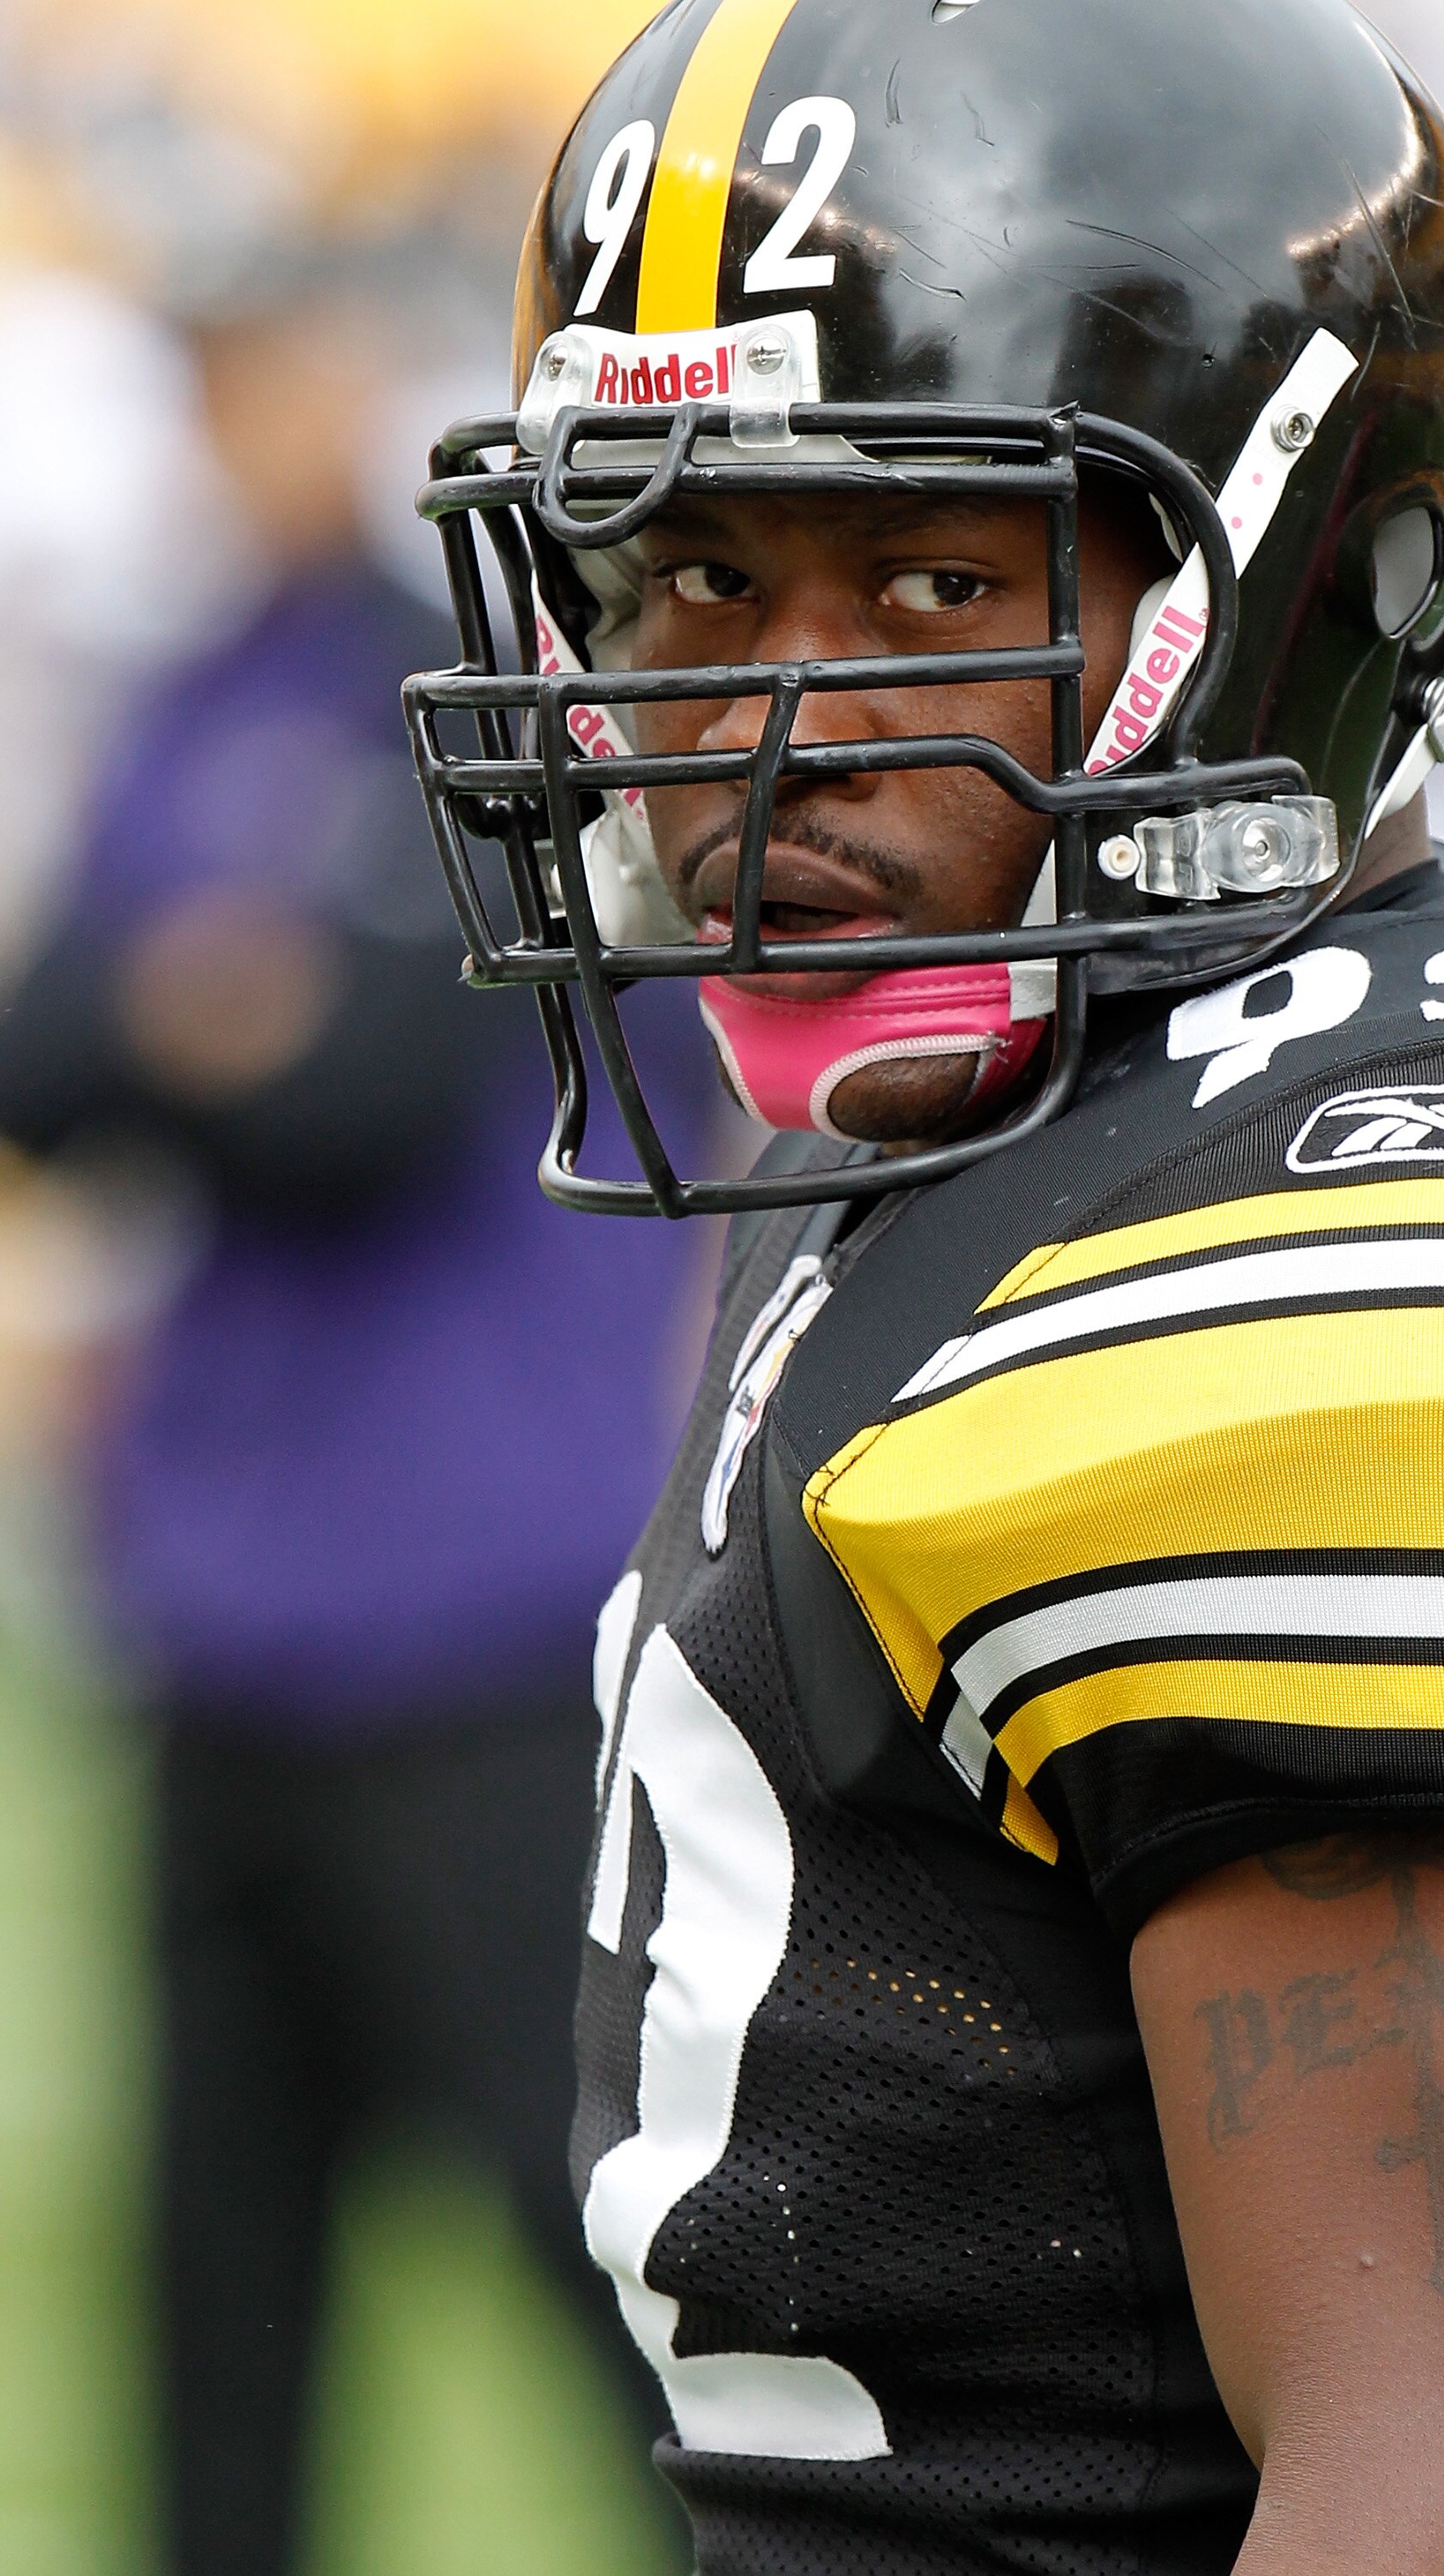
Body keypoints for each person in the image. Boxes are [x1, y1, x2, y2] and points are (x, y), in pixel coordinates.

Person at [403, 0, 1444, 2567]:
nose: (765, 723)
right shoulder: (1103, 1099)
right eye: (690, 571)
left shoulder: (1371, 1260)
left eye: (937, 579)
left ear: (1328, 567)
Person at [0, 270, 703, 2574]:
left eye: (267, 355)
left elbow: (363, 1087)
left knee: (604, 2263)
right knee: (215, 2316)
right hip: (222, 1619)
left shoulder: (492, 701)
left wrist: (207, 1022)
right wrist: (198, 1011)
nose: (236, 415)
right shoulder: (204, 681)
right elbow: (49, 1045)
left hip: (478, 1621)